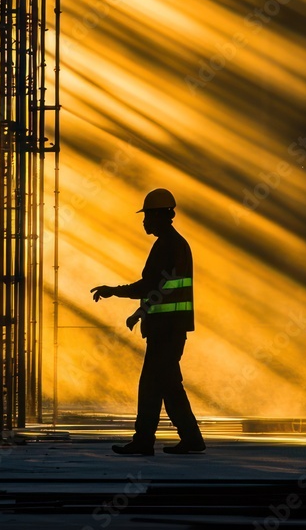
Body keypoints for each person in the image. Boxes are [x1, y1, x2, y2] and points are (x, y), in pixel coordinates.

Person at [91, 187, 205, 455]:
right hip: (167, 328)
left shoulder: (169, 246)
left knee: (156, 386)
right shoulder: (172, 244)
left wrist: (116, 292)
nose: (143, 222)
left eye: (147, 216)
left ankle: (151, 440)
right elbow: (160, 288)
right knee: (163, 386)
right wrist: (140, 312)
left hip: (167, 330)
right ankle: (178, 438)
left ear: (160, 216)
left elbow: (153, 287)